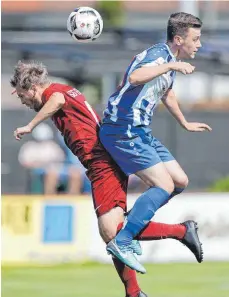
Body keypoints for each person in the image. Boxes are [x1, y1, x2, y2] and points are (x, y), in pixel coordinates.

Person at [12, 60, 203, 297]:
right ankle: (135, 290)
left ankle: (179, 234)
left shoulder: (55, 93)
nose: (23, 102)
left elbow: (57, 101)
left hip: (102, 162)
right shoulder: (62, 89)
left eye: (22, 96)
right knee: (112, 233)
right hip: (102, 162)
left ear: (31, 87)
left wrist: (30, 125)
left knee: (113, 233)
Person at [99, 12, 211, 273]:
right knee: (164, 184)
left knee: (179, 181)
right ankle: (124, 240)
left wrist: (184, 122)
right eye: (195, 39)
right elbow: (135, 77)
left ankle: (134, 225)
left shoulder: (168, 62)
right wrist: (171, 66)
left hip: (140, 131)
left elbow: (167, 93)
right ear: (179, 39)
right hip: (121, 129)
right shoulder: (160, 56)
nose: (199, 44)